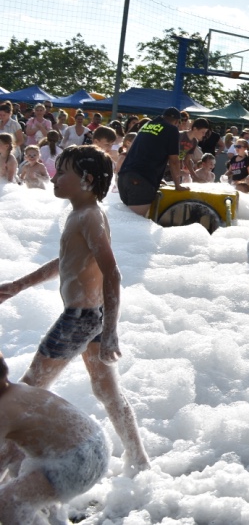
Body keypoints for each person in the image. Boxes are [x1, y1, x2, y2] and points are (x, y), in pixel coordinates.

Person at [0, 145, 150, 472]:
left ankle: (9, 472)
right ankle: (139, 460)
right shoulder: (81, 215)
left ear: (87, 180)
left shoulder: (90, 216)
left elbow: (112, 273)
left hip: (80, 320)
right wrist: (17, 286)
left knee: (23, 393)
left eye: (63, 172)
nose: (55, 177)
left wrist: (110, 332)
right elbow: (66, 261)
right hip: (90, 317)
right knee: (106, 391)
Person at [0, 351, 111, 524]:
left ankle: (38, 511)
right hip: (95, 445)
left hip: (74, 463)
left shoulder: (4, 412)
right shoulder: (19, 390)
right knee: (12, 450)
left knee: (8, 503)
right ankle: (54, 517)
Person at [116, 107, 186, 216]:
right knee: (133, 222)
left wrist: (157, 178)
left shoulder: (147, 125)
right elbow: (174, 161)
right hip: (140, 180)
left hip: (124, 177)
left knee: (124, 220)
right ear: (177, 121)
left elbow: (143, 151)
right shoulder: (171, 129)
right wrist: (178, 185)